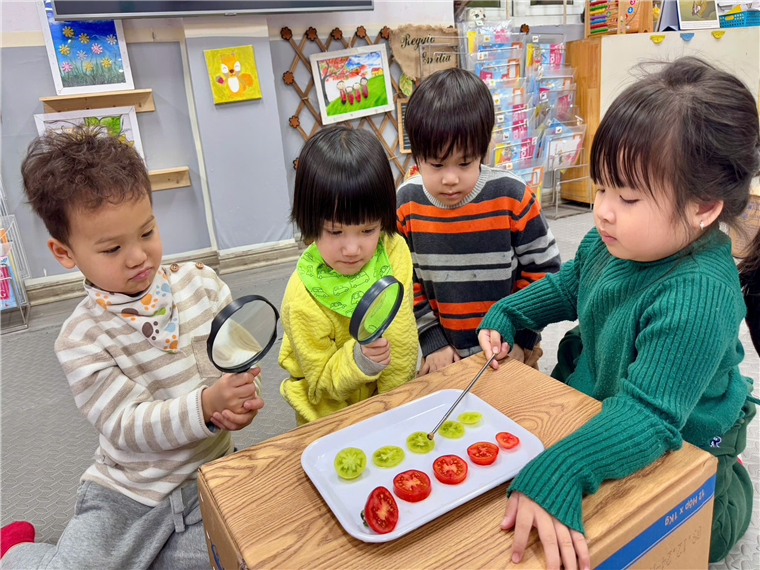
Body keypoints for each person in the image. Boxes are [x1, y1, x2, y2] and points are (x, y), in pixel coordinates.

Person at [478, 57, 760, 569]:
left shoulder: (699, 295)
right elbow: (569, 286)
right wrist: (508, 312)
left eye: (627, 197)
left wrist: (565, 468)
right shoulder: (612, 241)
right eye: (602, 187)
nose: (603, 209)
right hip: (608, 393)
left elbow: (649, 416)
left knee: (692, 535)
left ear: (703, 207)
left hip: (680, 431)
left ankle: (730, 474)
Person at [0, 129, 264, 569]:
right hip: (129, 493)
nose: (138, 256)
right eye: (112, 248)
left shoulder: (202, 284)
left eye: (147, 231)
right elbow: (127, 425)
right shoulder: (81, 338)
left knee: (246, 554)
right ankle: (16, 552)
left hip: (210, 474)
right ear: (64, 253)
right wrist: (204, 405)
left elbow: (238, 364)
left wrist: (243, 402)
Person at [396, 68, 560, 377]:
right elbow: (404, 280)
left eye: (465, 162)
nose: (450, 178)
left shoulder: (512, 196)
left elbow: (545, 272)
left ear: (483, 151)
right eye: (436, 164)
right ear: (416, 156)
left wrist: (522, 337)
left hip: (511, 349)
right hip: (445, 355)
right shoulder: (406, 204)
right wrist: (431, 339)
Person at [279, 126, 418, 424]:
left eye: (368, 230)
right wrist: (360, 361)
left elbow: (400, 339)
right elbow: (320, 384)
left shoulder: (393, 251)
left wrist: (396, 409)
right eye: (335, 231)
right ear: (309, 221)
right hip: (329, 417)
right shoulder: (302, 298)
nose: (353, 249)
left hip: (389, 405)